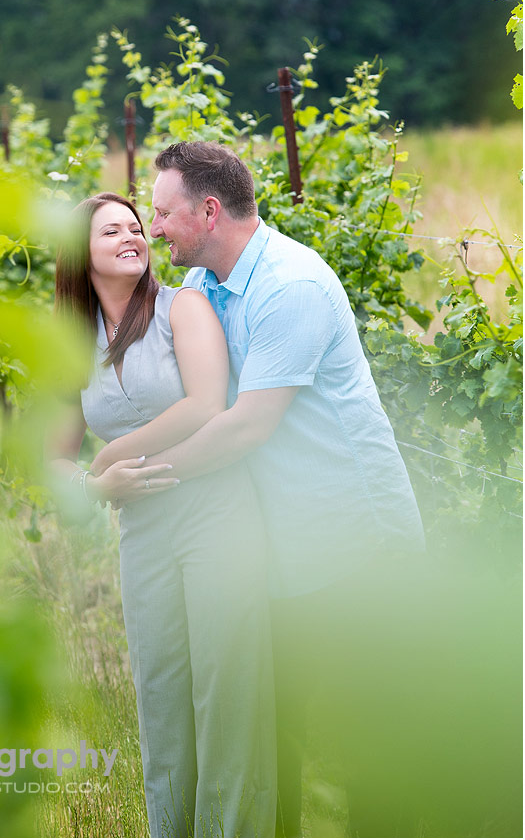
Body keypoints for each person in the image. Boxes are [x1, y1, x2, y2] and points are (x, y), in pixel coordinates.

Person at [90, 144, 425, 837]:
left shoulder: (288, 286)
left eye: (160, 213)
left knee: (369, 755)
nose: (152, 229)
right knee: (277, 736)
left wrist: (140, 481)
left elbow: (245, 428)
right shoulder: (209, 288)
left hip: (352, 543)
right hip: (278, 548)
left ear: (207, 211)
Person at [53, 192, 277, 839]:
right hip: (143, 530)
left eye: (134, 226)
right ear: (80, 254)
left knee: (224, 697)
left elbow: (205, 406)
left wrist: (110, 459)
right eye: (110, 231)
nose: (131, 236)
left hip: (216, 517)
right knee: (161, 699)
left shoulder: (184, 306)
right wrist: (98, 489)